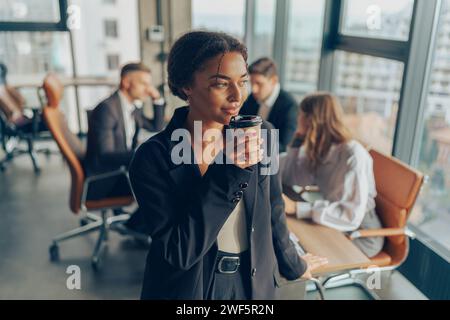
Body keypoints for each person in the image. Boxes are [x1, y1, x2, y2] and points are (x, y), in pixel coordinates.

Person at [129, 31, 327, 300]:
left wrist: (294, 265)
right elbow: (179, 251)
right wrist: (230, 169)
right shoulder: (153, 157)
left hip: (252, 284)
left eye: (242, 82)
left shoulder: (261, 134)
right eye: (221, 84)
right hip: (190, 289)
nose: (237, 96)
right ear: (186, 85)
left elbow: (273, 212)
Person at [280, 92, 384, 258]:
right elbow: (293, 176)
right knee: (291, 240)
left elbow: (350, 216)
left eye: (300, 115)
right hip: (332, 220)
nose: (296, 119)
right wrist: (297, 142)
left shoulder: (353, 155)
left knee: (302, 252)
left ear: (310, 121)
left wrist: (296, 208)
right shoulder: (322, 147)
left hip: (360, 232)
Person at [84, 62, 165, 232]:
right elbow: (105, 155)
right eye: (144, 83)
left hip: (121, 168)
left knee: (163, 171)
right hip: (105, 178)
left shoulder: (130, 107)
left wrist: (157, 100)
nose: (148, 89)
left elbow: (155, 127)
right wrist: (141, 153)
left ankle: (139, 225)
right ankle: (137, 227)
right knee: (162, 179)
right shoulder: (107, 109)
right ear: (126, 83)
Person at [239, 57, 297, 152]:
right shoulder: (252, 98)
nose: (254, 89)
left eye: (259, 84)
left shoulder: (289, 106)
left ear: (273, 81)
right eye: (252, 83)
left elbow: (285, 146)